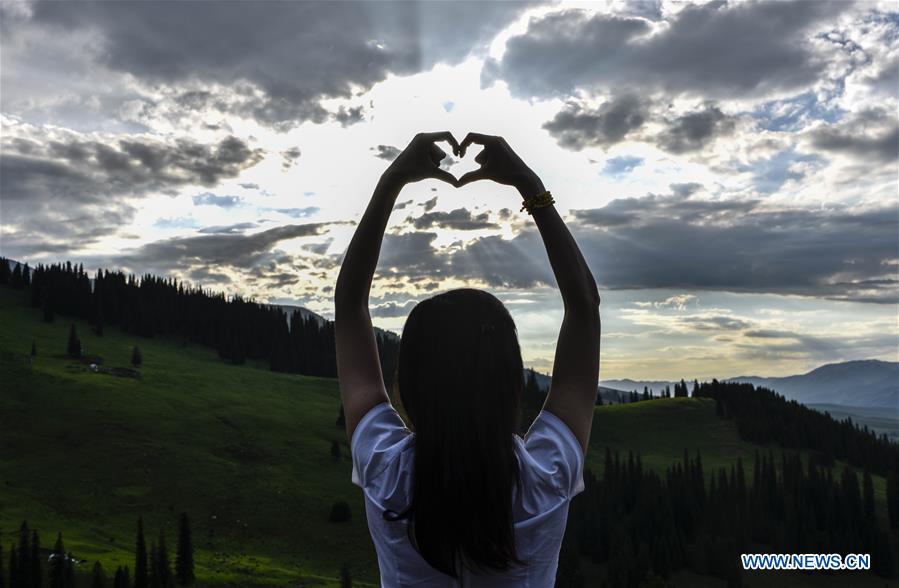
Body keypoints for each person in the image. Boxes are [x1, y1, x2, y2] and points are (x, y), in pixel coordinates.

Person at [335, 131, 601, 587]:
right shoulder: (547, 481)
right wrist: (528, 185)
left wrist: (391, 183)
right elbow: (584, 308)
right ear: (511, 385)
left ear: (410, 386)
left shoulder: (385, 475)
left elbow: (349, 306)